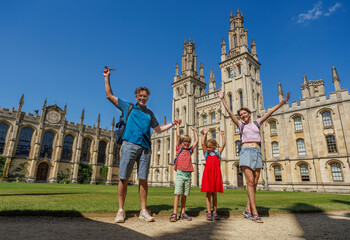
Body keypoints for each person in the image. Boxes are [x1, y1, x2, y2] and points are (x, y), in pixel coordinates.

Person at [104, 68, 181, 223]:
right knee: (123, 178)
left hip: (146, 148)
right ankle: (120, 210)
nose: (142, 98)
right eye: (140, 96)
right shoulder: (128, 106)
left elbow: (158, 130)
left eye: (145, 96)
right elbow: (109, 95)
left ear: (148, 97)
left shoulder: (150, 114)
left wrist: (173, 123)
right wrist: (107, 78)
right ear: (136, 96)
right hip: (129, 145)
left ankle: (143, 210)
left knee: (143, 179)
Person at [218, 89, 290, 223]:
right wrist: (222, 99)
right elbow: (229, 112)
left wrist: (283, 102)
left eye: (245, 113)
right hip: (245, 151)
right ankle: (254, 213)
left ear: (249, 114)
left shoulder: (257, 123)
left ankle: (247, 209)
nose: (243, 115)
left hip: (257, 152)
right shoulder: (240, 125)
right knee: (250, 182)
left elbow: (270, 112)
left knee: (255, 183)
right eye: (241, 114)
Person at [169, 122, 198, 222]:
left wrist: (195, 132)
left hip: (188, 175)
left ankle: (182, 213)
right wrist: (177, 126)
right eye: (185, 141)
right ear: (181, 143)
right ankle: (174, 213)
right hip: (180, 174)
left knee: (185, 195)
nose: (187, 143)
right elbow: (177, 136)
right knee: (177, 194)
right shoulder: (179, 149)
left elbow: (197, 141)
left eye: (188, 142)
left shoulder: (190, 150)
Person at [201, 127, 226, 221]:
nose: (207, 148)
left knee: (214, 194)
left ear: (214, 147)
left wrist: (223, 135)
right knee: (208, 194)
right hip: (208, 175)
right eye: (207, 147)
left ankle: (215, 212)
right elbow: (202, 143)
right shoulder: (206, 154)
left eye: (210, 147)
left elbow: (223, 144)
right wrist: (205, 134)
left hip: (215, 175)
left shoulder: (217, 154)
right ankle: (209, 212)